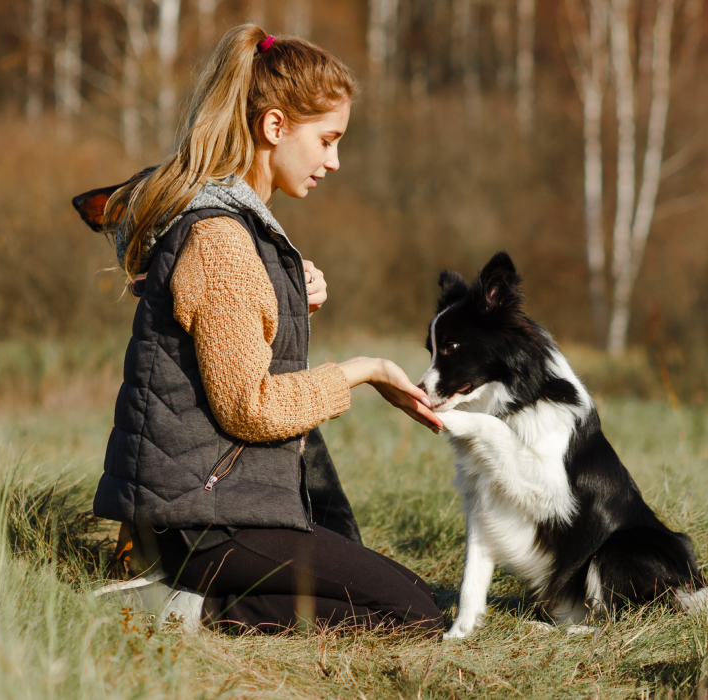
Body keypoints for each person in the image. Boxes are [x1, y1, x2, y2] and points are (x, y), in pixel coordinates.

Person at [93, 24, 445, 635]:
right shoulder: (222, 240)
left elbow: (229, 339)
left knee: (412, 596)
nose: (335, 162)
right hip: (203, 521)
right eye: (328, 140)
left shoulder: (239, 231)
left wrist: (288, 298)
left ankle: (174, 590)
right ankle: (174, 607)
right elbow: (249, 408)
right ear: (275, 127)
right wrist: (364, 371)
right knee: (411, 613)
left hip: (221, 500)